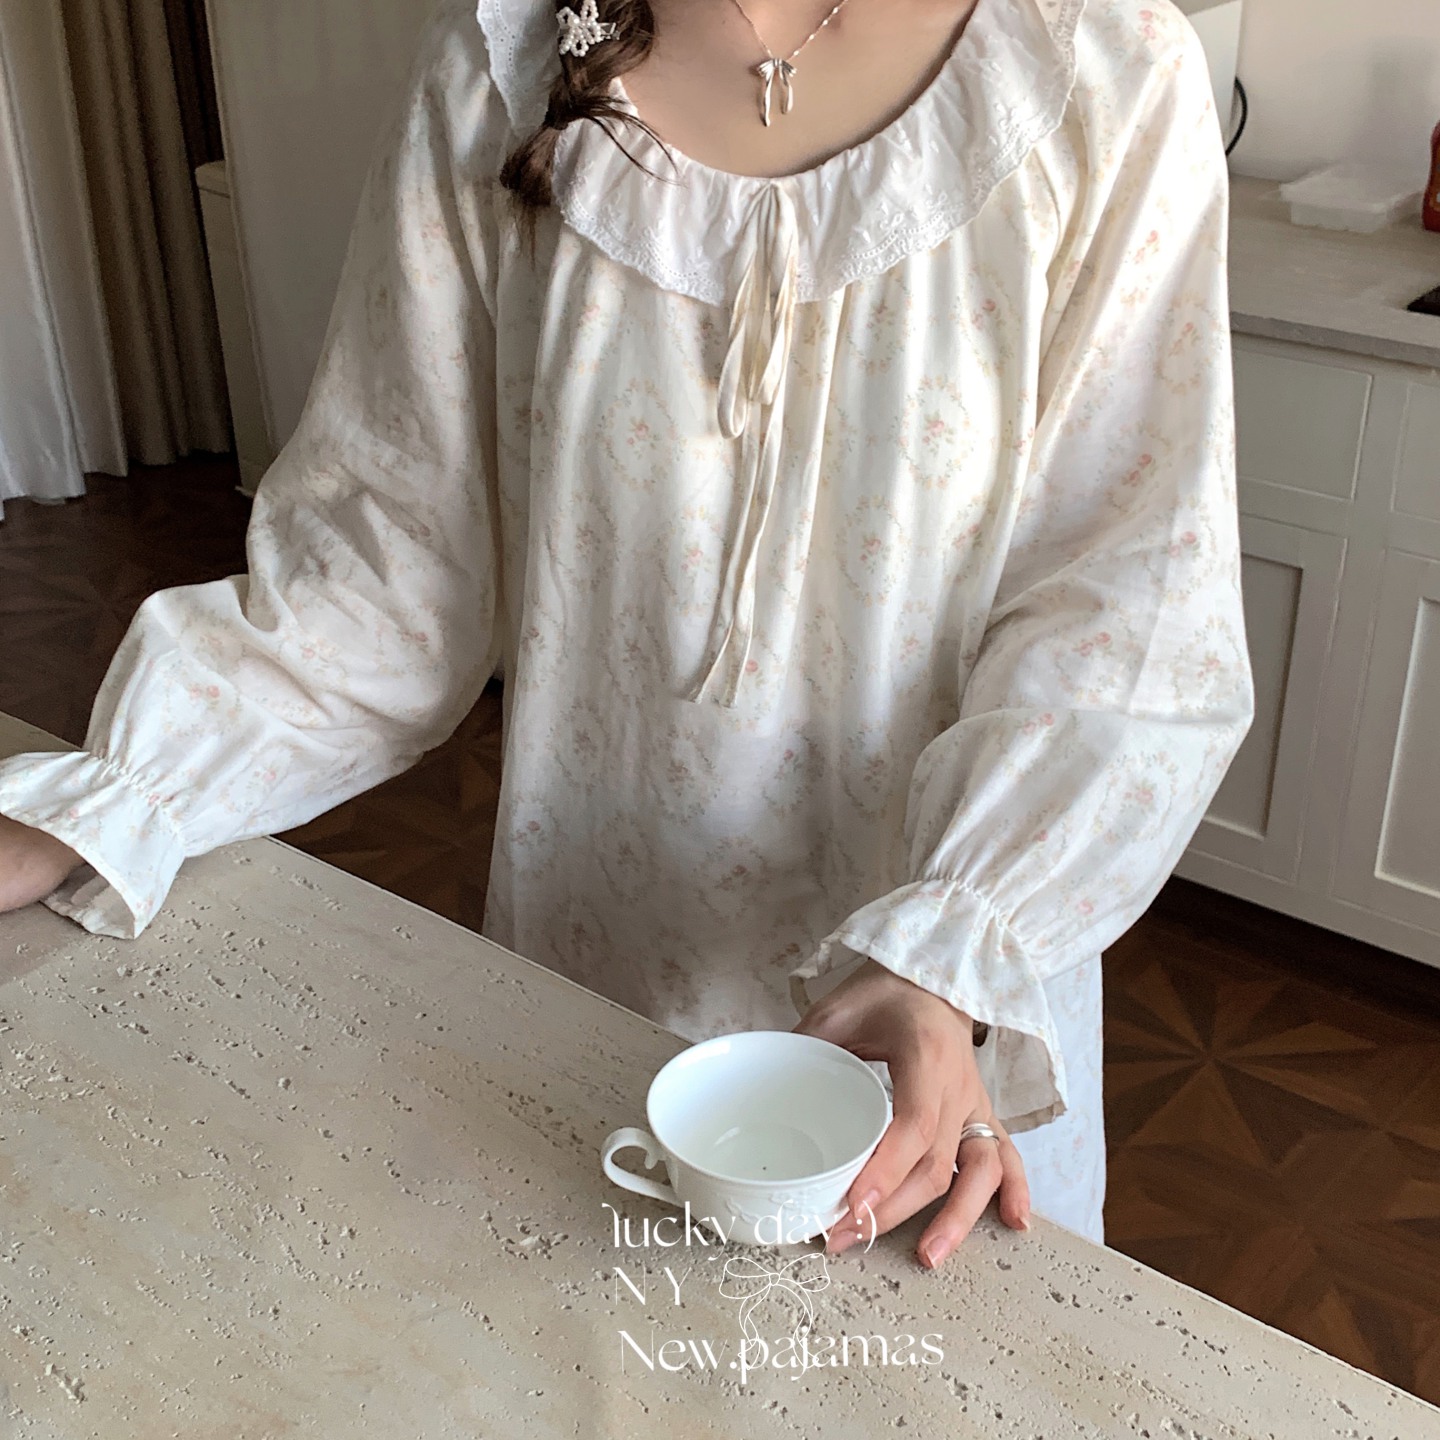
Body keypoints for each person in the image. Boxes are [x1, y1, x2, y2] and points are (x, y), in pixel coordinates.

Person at [0, 0, 1254, 1264]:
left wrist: (951, 956)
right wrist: (118, 794)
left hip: (940, 1079)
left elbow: (1127, 621)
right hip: (587, 1021)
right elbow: (384, 570)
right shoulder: (499, 65)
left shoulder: (1100, 73)